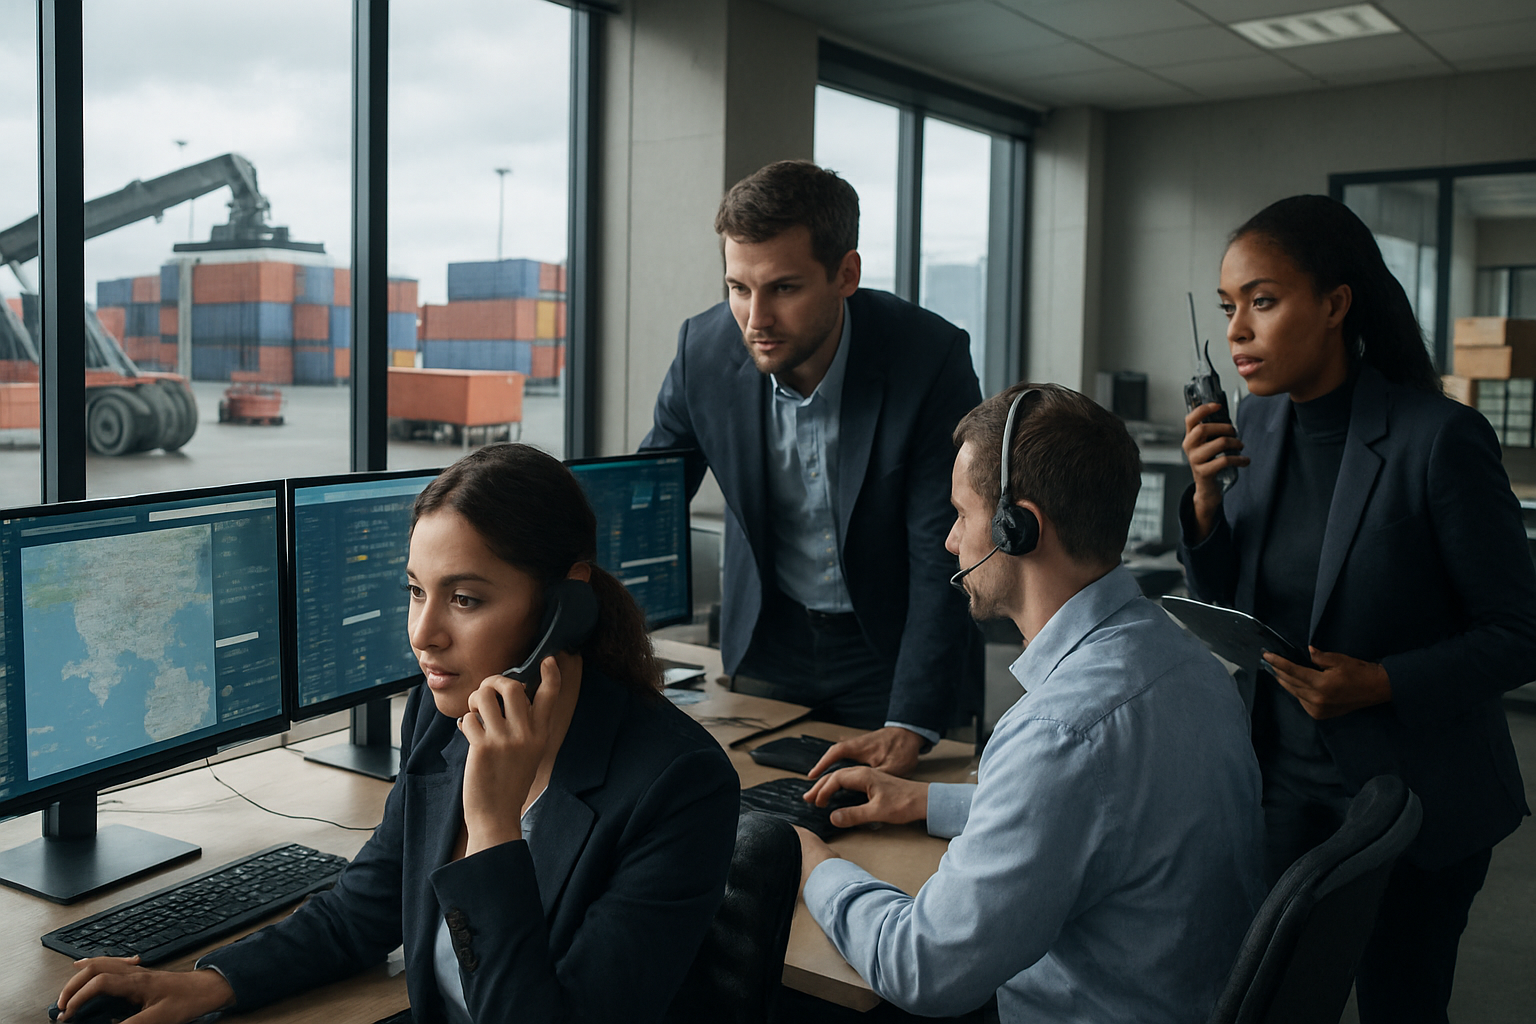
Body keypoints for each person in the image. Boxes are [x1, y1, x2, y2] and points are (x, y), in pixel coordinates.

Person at [54, 444, 740, 1024]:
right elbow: (364, 908)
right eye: (416, 591)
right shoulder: (442, 717)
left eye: (464, 599)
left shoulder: (677, 785)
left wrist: (493, 825)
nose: (423, 633)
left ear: (567, 604)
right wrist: (209, 982)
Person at [796, 383, 1265, 1023]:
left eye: (961, 515)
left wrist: (814, 864)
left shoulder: (1059, 731)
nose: (950, 541)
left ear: (1017, 529)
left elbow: (924, 969)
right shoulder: (1188, 661)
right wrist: (927, 802)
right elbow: (1100, 815)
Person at [1179, 194, 1536, 1024]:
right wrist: (1204, 500)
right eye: (1229, 308)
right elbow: (1225, 597)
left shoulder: (1439, 439)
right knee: (1266, 1005)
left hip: (1413, 794)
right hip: (1279, 784)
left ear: (1336, 304)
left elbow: (1521, 634)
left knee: (1399, 1007)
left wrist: (1381, 682)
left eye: (1263, 302)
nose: (1238, 332)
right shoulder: (1255, 424)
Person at [642, 159, 983, 778]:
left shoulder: (928, 357)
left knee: (889, 821)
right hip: (770, 639)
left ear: (846, 274)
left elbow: (944, 547)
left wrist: (911, 720)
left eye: (784, 288)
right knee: (750, 811)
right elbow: (649, 499)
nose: (756, 319)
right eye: (738, 288)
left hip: (892, 648)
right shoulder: (703, 352)